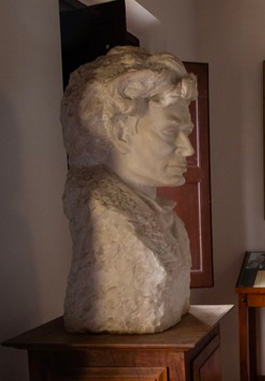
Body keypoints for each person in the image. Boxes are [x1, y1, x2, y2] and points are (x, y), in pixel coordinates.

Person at [61, 47, 197, 333]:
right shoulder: (105, 213)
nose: (188, 149)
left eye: (187, 132)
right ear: (120, 132)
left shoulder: (168, 220)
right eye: (170, 132)